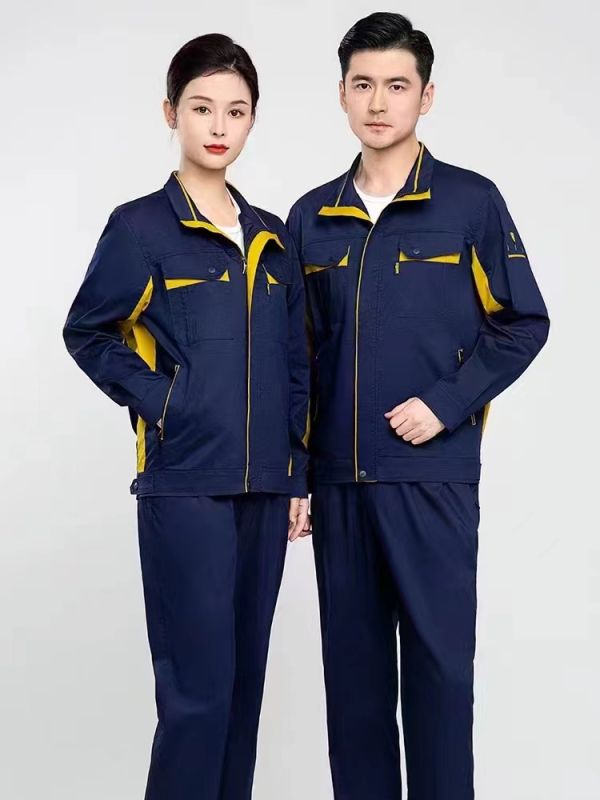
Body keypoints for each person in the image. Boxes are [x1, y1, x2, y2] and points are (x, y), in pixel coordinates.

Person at [286, 12, 550, 800]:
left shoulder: (470, 203)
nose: (379, 102)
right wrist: (297, 474)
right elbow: (295, 359)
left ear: (425, 97)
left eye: (396, 86)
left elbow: (523, 322)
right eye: (363, 84)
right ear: (341, 94)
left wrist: (445, 405)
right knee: (355, 698)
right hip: (339, 486)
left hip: (432, 481)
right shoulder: (311, 218)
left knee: (439, 683)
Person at [63, 33, 310, 800]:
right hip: (184, 486)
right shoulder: (140, 228)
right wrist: (167, 403)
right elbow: (89, 331)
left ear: (252, 119)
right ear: (171, 112)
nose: (219, 125)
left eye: (236, 110)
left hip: (266, 489)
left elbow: (297, 361)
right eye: (202, 107)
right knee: (197, 697)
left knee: (241, 696)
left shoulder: (274, 236)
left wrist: (297, 471)